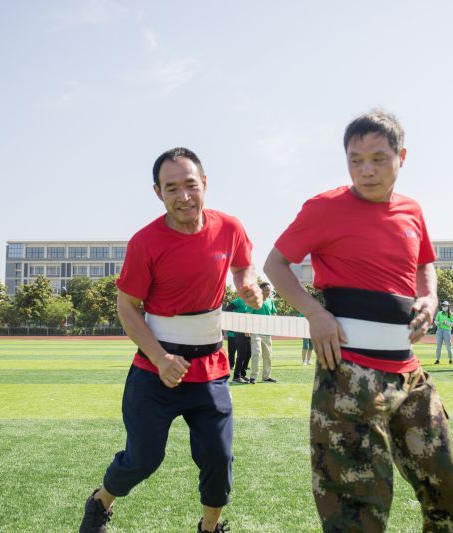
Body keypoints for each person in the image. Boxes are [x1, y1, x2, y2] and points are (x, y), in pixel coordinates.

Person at [264, 110, 453, 532]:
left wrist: (429, 297)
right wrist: (315, 313)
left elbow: (424, 264)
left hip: (408, 373)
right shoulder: (324, 208)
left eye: (378, 158)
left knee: (449, 491)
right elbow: (276, 264)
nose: (366, 170)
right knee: (357, 510)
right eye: (355, 159)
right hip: (349, 373)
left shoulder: (412, 210)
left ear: (402, 156)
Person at [78, 148, 263, 533]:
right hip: (155, 368)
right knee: (143, 458)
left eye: (190, 186)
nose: (183, 197)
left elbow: (243, 264)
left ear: (205, 184)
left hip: (209, 367)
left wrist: (247, 284)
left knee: (218, 455)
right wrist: (161, 358)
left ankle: (210, 528)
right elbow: (128, 308)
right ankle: (100, 502)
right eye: (171, 188)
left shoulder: (230, 227)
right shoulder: (146, 241)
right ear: (157, 192)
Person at [248, 282, 278, 384]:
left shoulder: (270, 301)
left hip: (267, 333)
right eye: (266, 290)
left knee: (268, 355)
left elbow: (274, 314)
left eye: (269, 290)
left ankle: (266, 377)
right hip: (255, 332)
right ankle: (253, 377)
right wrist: (247, 329)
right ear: (261, 290)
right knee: (257, 354)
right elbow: (248, 315)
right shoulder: (255, 301)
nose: (269, 292)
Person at [226, 297, 253, 383]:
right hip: (239, 330)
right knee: (241, 354)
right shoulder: (239, 300)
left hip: (248, 331)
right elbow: (227, 310)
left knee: (248, 354)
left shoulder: (252, 302)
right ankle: (236, 377)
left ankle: (242, 374)